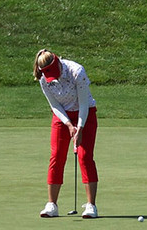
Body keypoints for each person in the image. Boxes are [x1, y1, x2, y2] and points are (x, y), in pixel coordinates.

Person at [35, 49, 99, 219]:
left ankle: (91, 206)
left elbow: (84, 103)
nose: (53, 78)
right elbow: (55, 106)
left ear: (57, 62)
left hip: (85, 113)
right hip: (62, 116)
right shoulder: (43, 79)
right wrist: (69, 125)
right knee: (56, 155)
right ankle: (52, 205)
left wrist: (79, 127)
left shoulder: (76, 71)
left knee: (84, 156)